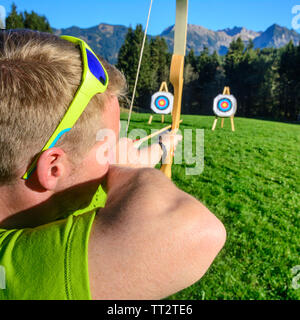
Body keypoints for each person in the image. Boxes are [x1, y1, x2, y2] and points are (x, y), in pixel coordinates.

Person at [0, 29, 226, 300]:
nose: (118, 153)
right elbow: (200, 232)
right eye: (110, 145)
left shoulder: (49, 199)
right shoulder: (19, 273)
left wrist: (161, 147)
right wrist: (131, 172)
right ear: (53, 169)